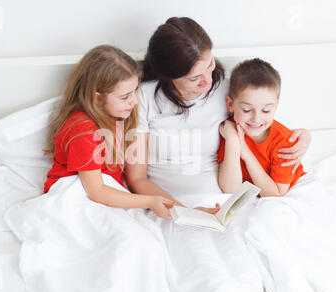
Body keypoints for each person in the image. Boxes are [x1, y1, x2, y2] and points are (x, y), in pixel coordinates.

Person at [126, 17, 311, 216]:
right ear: (168, 76)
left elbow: (261, 123)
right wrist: (185, 212)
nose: (207, 81)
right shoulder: (144, 98)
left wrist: (303, 136)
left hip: (220, 203)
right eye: (194, 78)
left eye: (209, 65)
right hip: (166, 207)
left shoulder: (226, 90)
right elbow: (137, 179)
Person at [43, 45, 175, 218]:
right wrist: (149, 201)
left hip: (106, 192)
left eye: (136, 90)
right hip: (76, 195)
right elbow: (96, 191)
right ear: (97, 98)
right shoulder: (82, 130)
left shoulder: (115, 116)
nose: (134, 101)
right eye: (125, 96)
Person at [218, 58, 306, 197]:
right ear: (230, 105)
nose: (256, 119)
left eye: (266, 111)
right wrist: (234, 142)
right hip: (252, 194)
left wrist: (245, 153)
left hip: (285, 192)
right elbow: (230, 190)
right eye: (246, 110)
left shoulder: (285, 142)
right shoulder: (230, 132)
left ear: (276, 105)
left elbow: (275, 195)